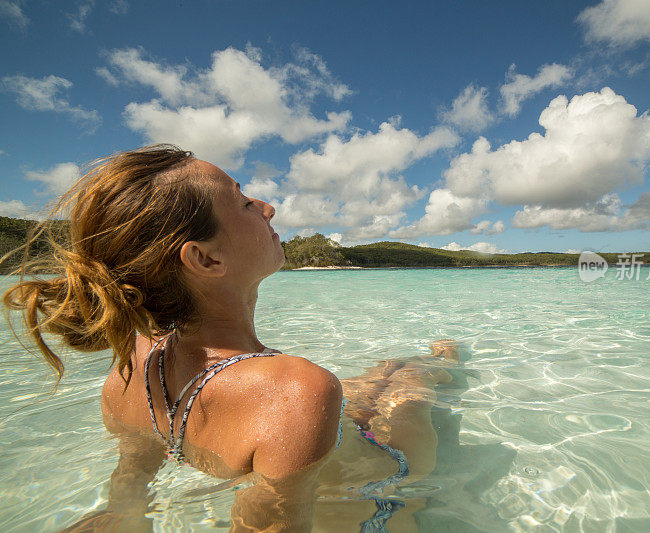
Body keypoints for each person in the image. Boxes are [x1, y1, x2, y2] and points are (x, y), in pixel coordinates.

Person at [2, 144, 462, 532]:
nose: (267, 208)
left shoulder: (134, 359)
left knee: (384, 374)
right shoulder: (295, 389)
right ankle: (445, 357)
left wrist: (125, 514)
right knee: (415, 382)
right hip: (378, 496)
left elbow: (132, 477)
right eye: (244, 202)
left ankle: (414, 366)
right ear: (204, 260)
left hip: (313, 440)